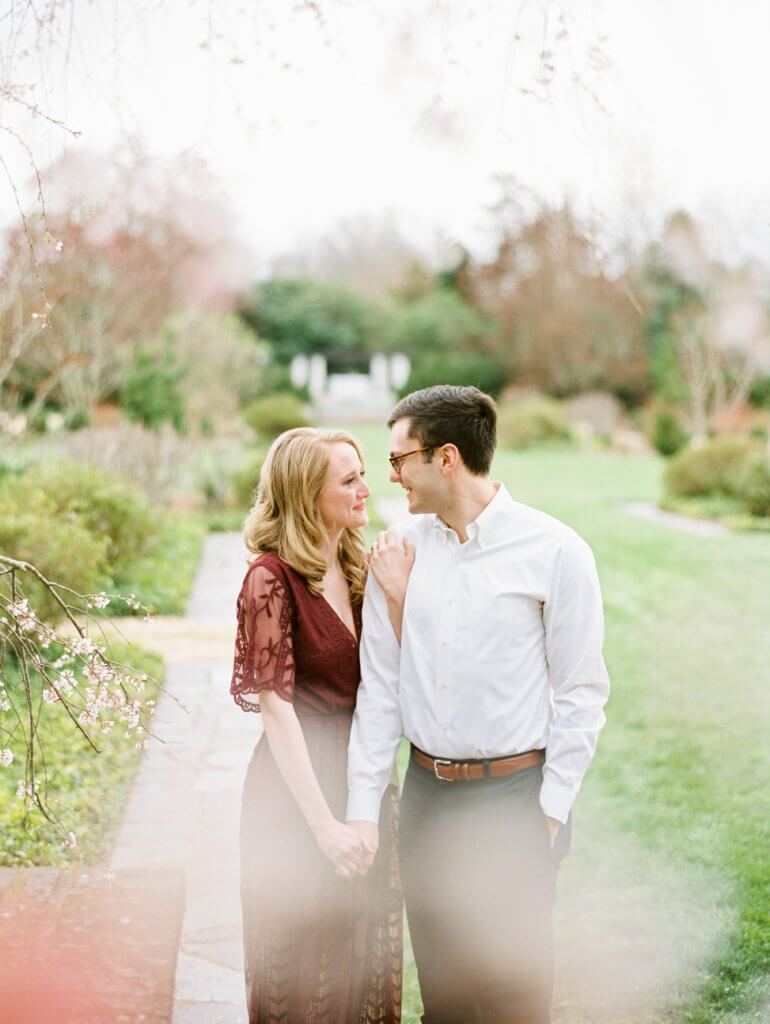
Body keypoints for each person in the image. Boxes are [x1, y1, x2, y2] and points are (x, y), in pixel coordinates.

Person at [346, 385, 611, 1024]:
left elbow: (581, 694)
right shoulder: (398, 552)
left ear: (445, 458)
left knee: (515, 1001)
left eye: (398, 459)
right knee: (446, 1001)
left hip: (514, 800)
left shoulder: (555, 551)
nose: (391, 475)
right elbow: (381, 690)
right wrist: (363, 811)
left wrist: (547, 814)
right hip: (428, 801)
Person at [230, 427, 405, 1024]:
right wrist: (323, 826)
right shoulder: (270, 579)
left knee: (361, 958)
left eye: (363, 473)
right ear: (308, 494)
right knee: (300, 966)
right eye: (349, 478)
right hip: (296, 789)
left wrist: (400, 599)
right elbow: (277, 712)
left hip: (365, 776)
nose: (366, 488)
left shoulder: (362, 567)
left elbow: (400, 677)